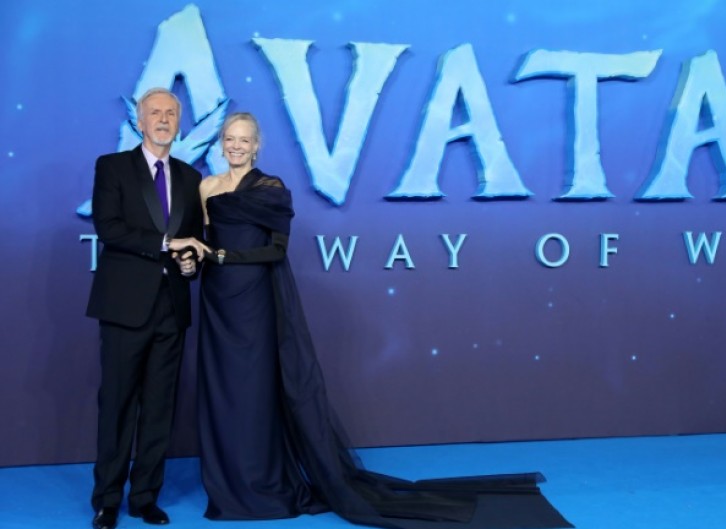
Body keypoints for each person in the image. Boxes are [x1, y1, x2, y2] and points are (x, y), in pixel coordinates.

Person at [196, 112, 573, 529]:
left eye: (244, 140)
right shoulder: (206, 187)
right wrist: (196, 257)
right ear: (221, 141)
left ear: (256, 145)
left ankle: (261, 484)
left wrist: (226, 257)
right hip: (218, 303)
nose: (236, 146)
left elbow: (276, 251)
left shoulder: (271, 189)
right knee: (223, 392)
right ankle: (228, 485)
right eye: (230, 138)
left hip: (256, 303)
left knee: (256, 393)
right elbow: (207, 244)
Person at [86, 87, 209, 529]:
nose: (163, 119)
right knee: (117, 406)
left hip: (171, 309)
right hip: (124, 308)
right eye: (155, 112)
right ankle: (107, 501)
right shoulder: (113, 167)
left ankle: (144, 497)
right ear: (140, 122)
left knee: (160, 408)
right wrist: (165, 244)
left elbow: (192, 242)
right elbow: (110, 229)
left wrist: (190, 262)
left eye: (171, 113)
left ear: (179, 122)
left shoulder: (191, 178)